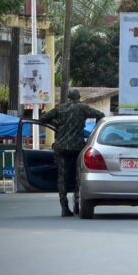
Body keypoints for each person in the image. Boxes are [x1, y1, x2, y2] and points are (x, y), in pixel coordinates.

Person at [41, 88, 105, 217]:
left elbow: (43, 118)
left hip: (61, 147)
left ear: (68, 97)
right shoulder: (83, 108)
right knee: (78, 177)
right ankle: (77, 204)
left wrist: (57, 125)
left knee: (62, 177)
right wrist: (94, 131)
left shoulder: (60, 108)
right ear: (79, 97)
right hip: (77, 147)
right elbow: (101, 115)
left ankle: (64, 207)